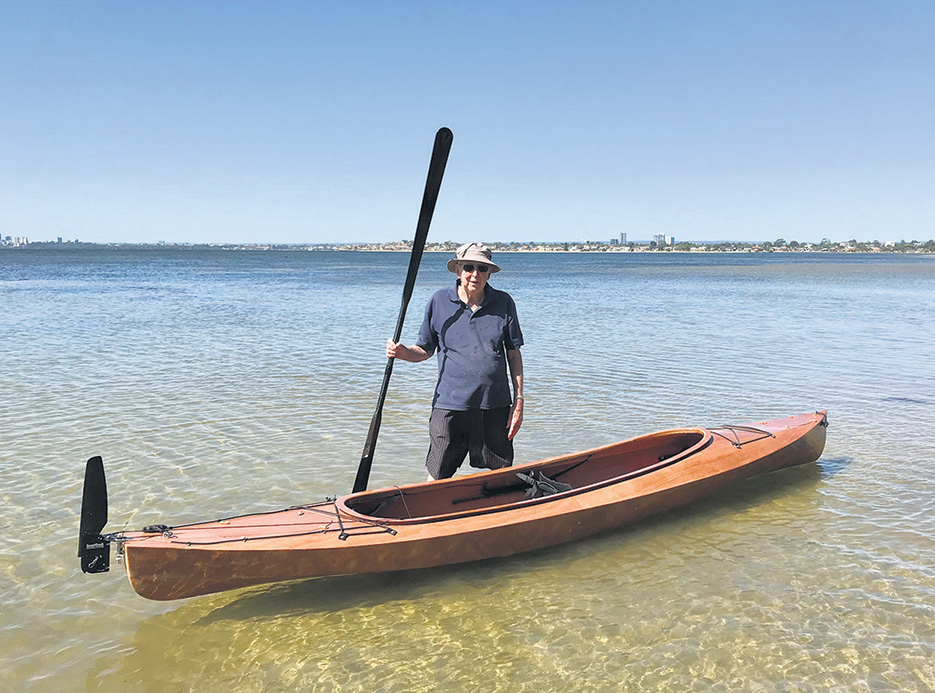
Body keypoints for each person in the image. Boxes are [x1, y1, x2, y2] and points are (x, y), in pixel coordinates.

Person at [387, 242, 525, 480]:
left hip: (495, 403)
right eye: (469, 267)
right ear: (458, 270)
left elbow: (514, 353)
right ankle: (429, 515)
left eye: (482, 268)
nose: (475, 274)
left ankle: (496, 513)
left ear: (490, 272)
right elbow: (425, 349)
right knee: (437, 473)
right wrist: (403, 352)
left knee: (502, 474)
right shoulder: (439, 301)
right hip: (450, 403)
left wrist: (519, 400)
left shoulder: (504, 303)